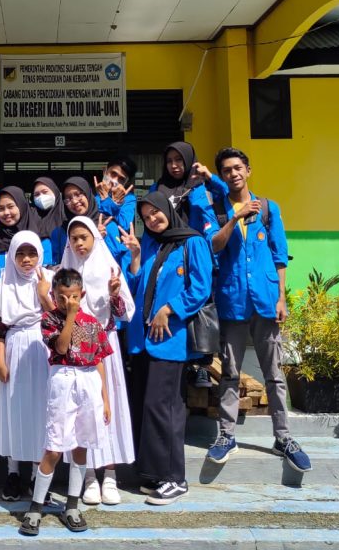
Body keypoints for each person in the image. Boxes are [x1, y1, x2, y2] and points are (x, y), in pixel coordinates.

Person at [205, 147, 312, 474]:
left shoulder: (268, 208)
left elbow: (279, 255)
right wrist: (235, 217)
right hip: (232, 300)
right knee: (230, 372)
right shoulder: (218, 211)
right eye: (227, 170)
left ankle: (283, 436)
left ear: (248, 171)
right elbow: (214, 246)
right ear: (222, 176)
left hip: (265, 300)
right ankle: (227, 435)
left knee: (274, 374)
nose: (233, 173)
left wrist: (281, 299)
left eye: (238, 168)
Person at [120, 191, 212, 506]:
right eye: (146, 217)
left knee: (166, 409)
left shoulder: (192, 242)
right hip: (143, 341)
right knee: (147, 407)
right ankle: (155, 474)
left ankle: (175, 478)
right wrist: (134, 257)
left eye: (155, 213)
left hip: (171, 340)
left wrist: (170, 308)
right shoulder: (153, 245)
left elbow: (201, 287)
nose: (152, 220)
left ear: (168, 210)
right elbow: (137, 287)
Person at [19, 268, 111, 537]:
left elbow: (99, 361)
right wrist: (70, 316)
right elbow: (60, 348)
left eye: (73, 297)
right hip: (63, 379)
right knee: (55, 445)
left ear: (82, 294)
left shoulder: (93, 323)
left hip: (89, 380)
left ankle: (72, 505)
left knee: (82, 444)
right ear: (53, 296)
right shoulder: (49, 319)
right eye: (61, 297)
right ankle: (36, 507)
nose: (68, 301)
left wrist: (105, 398)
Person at [60, 216, 134, 506]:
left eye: (84, 237)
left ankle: (110, 475)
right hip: (75, 351)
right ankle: (89, 475)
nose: (79, 243)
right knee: (82, 411)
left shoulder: (109, 268)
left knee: (107, 407)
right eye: (74, 239)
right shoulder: (65, 272)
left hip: (104, 345)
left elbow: (126, 313)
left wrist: (114, 295)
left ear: (95, 238)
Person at [147, 141, 221, 390]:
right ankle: (182, 361)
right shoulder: (159, 187)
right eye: (169, 161)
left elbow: (223, 201)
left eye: (179, 160)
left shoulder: (200, 185)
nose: (174, 165)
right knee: (169, 302)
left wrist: (209, 178)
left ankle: (200, 364)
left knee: (199, 306)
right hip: (167, 250)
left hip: (193, 250)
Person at [0, 231, 54, 501]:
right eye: (20, 254)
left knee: (41, 409)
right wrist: (0, 359)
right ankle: (13, 472)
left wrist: (44, 295)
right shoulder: (4, 282)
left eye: (31, 253)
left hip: (42, 346)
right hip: (14, 346)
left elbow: (60, 318)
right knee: (13, 408)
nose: (26, 259)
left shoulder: (49, 279)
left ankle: (37, 475)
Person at [0, 186, 52, 278]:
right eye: (1, 208)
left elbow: (45, 275)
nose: (6, 212)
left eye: (10, 207)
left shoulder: (41, 241)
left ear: (22, 207)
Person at [50, 177, 123, 265]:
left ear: (87, 194)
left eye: (78, 194)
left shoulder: (107, 225)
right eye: (68, 199)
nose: (74, 201)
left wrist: (98, 240)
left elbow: (115, 261)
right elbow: (58, 263)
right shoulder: (63, 231)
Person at [94, 154, 137, 233]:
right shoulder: (94, 195)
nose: (115, 180)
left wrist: (108, 200)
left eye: (121, 179)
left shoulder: (129, 199)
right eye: (113, 173)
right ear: (105, 171)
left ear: (126, 183)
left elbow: (125, 225)